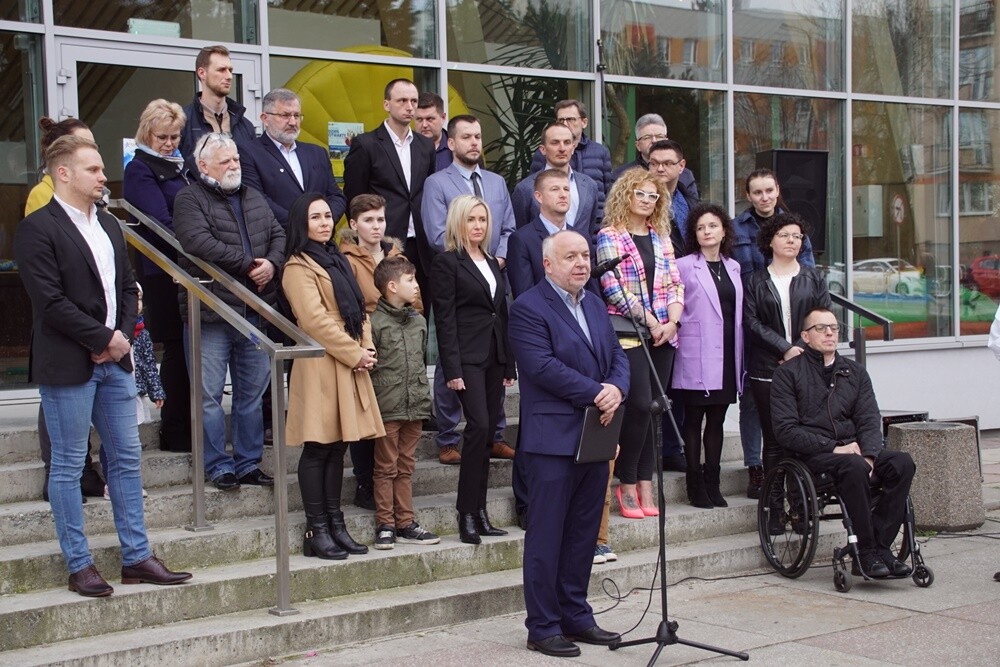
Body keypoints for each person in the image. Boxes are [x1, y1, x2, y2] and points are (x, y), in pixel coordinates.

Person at [15, 134, 191, 597]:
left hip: (115, 361)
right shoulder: (37, 228)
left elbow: (129, 288)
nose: (103, 176)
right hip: (68, 364)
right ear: (64, 173)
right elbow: (49, 301)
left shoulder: (110, 224)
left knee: (127, 460)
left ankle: (137, 557)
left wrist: (120, 337)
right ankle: (79, 565)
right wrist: (102, 338)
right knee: (68, 465)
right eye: (93, 169)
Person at [508, 229, 628, 658]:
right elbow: (541, 366)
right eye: (570, 256)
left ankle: (576, 615)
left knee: (582, 534)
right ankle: (542, 626)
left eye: (584, 255)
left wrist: (616, 388)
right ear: (548, 264)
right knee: (547, 536)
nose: (581, 263)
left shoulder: (594, 303)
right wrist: (597, 392)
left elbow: (618, 355)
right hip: (552, 441)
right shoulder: (528, 307)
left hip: (595, 435)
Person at [173, 133, 285, 491]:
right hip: (210, 313)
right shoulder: (189, 197)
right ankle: (218, 464)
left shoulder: (253, 196)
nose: (234, 165)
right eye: (226, 161)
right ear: (204, 166)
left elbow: (278, 234)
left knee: (251, 392)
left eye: (236, 159)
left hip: (253, 311)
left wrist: (272, 264)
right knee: (208, 395)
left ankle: (248, 462)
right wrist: (248, 264)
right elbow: (196, 241)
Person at [771, 308, 915, 579]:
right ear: (805, 336)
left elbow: (869, 419)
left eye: (834, 328)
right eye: (821, 328)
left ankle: (881, 548)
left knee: (902, 463)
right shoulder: (787, 374)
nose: (829, 333)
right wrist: (833, 447)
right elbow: (786, 431)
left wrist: (870, 456)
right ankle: (866, 552)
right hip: (814, 455)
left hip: (856, 451)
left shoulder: (855, 372)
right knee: (852, 466)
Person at [282, 192, 381, 559]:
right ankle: (316, 529)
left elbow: (360, 307)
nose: (324, 223)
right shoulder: (297, 266)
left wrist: (366, 346)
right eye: (316, 217)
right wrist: (354, 353)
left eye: (327, 216)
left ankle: (336, 524)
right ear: (301, 223)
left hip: (349, 356)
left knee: (338, 446)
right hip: (321, 362)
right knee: (318, 446)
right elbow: (313, 320)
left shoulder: (336, 258)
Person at [422, 114, 517, 465]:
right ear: (451, 143)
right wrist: (472, 262)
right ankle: (448, 438)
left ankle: (495, 435)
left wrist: (496, 259)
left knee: (494, 355)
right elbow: (437, 234)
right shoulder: (437, 183)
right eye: (466, 137)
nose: (474, 142)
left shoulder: (496, 182)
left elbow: (508, 228)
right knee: (452, 357)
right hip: (459, 277)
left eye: (477, 136)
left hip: (493, 275)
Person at [24, 116, 106, 500]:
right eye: (83, 147)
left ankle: (85, 469)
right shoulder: (43, 198)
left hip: (94, 325)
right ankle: (57, 468)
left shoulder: (96, 208)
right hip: (66, 323)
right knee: (57, 403)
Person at [596, 168, 684, 518]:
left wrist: (672, 323)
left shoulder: (661, 237)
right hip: (630, 329)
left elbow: (675, 283)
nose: (647, 201)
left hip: (665, 332)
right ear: (626, 196)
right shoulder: (610, 236)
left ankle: (647, 482)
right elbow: (613, 288)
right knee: (640, 404)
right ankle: (627, 482)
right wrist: (651, 322)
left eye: (653, 196)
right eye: (641, 194)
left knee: (657, 408)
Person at [431, 195, 516, 544]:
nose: (478, 226)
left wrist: (508, 361)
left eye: (482, 219)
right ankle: (465, 512)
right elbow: (445, 319)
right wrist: (451, 368)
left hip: (494, 356)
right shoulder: (447, 263)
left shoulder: (493, 262)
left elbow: (502, 314)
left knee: (487, 433)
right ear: (458, 222)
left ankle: (480, 512)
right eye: (471, 219)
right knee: (478, 426)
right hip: (466, 358)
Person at [733, 167, 817, 500]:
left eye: (769, 190)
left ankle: (793, 466)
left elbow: (809, 281)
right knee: (752, 402)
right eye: (757, 192)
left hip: (794, 330)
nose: (764, 197)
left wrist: (795, 345)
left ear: (778, 190)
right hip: (754, 326)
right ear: (748, 195)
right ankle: (755, 466)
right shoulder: (737, 228)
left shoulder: (794, 228)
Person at [743, 212, 830, 532]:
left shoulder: (813, 277)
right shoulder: (755, 280)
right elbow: (751, 322)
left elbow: (823, 318)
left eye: (797, 236)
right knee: (774, 441)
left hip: (807, 367)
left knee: (802, 438)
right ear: (770, 241)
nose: (792, 241)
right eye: (785, 235)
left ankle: (801, 507)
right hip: (767, 368)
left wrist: (801, 349)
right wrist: (785, 348)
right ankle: (774, 510)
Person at [340, 193, 422, 510]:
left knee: (394, 420)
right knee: (367, 412)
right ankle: (365, 481)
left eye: (380, 219)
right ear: (354, 224)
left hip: (401, 338)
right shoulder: (346, 258)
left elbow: (415, 298)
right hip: (367, 339)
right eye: (368, 220)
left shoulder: (396, 255)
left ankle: (396, 495)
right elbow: (349, 302)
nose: (376, 226)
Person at [123, 99, 193, 453]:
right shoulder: (140, 169)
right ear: (146, 133)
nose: (168, 143)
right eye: (162, 137)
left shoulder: (181, 166)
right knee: (177, 348)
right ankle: (175, 428)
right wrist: (199, 243)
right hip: (162, 269)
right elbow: (159, 222)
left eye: (174, 136)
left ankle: (187, 425)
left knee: (189, 348)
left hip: (185, 267)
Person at [673, 204, 743, 509]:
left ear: (724, 230)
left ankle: (714, 482)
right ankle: (695, 484)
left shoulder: (733, 266)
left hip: (727, 353)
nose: (707, 232)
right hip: (696, 353)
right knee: (693, 420)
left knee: (717, 419)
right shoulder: (684, 266)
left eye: (712, 226)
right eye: (700, 228)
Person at [369, 255, 439, 549]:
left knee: (406, 465)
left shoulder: (419, 322)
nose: (417, 285)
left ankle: (406, 522)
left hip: (415, 404)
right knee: (386, 467)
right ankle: (385, 523)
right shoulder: (375, 323)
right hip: (388, 405)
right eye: (410, 280)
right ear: (392, 286)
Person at [343, 78, 437, 298]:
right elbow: (355, 198)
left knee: (419, 307)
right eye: (402, 100)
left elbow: (428, 192)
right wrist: (366, 240)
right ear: (387, 104)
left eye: (413, 101)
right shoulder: (366, 144)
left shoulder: (425, 145)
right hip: (383, 242)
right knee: (384, 305)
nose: (409, 107)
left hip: (421, 244)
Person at [238, 88, 347, 228]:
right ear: (265, 118)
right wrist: (302, 226)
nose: (293, 122)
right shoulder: (249, 152)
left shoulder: (317, 153)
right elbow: (257, 200)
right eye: (285, 115)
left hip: (321, 239)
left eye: (297, 115)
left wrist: (323, 222)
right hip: (279, 237)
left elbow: (336, 196)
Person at [511, 123, 601, 238]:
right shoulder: (525, 188)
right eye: (555, 143)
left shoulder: (589, 185)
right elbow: (520, 231)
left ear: (573, 147)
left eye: (567, 142)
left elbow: (591, 227)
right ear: (543, 149)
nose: (562, 148)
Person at [528, 99, 613, 218]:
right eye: (561, 120)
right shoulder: (544, 153)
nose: (565, 124)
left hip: (593, 223)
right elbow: (533, 188)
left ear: (584, 122)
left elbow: (608, 192)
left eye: (571, 119)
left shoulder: (600, 152)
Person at [180, 45, 257, 175]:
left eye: (230, 70)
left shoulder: (245, 126)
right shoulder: (182, 122)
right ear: (202, 73)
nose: (229, 76)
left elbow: (252, 173)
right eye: (221, 70)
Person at [611, 113, 699, 200]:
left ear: (666, 141)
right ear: (638, 145)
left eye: (659, 136)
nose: (654, 141)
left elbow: (694, 206)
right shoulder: (621, 175)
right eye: (647, 137)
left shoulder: (685, 175)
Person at [647, 139, 699, 258]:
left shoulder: (689, 200)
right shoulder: (640, 201)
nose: (660, 169)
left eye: (667, 163)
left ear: (681, 166)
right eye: (654, 163)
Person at [414, 92, 452, 171]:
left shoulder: (457, 148)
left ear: (443, 118)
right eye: (419, 119)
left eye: (430, 119)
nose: (424, 125)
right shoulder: (405, 149)